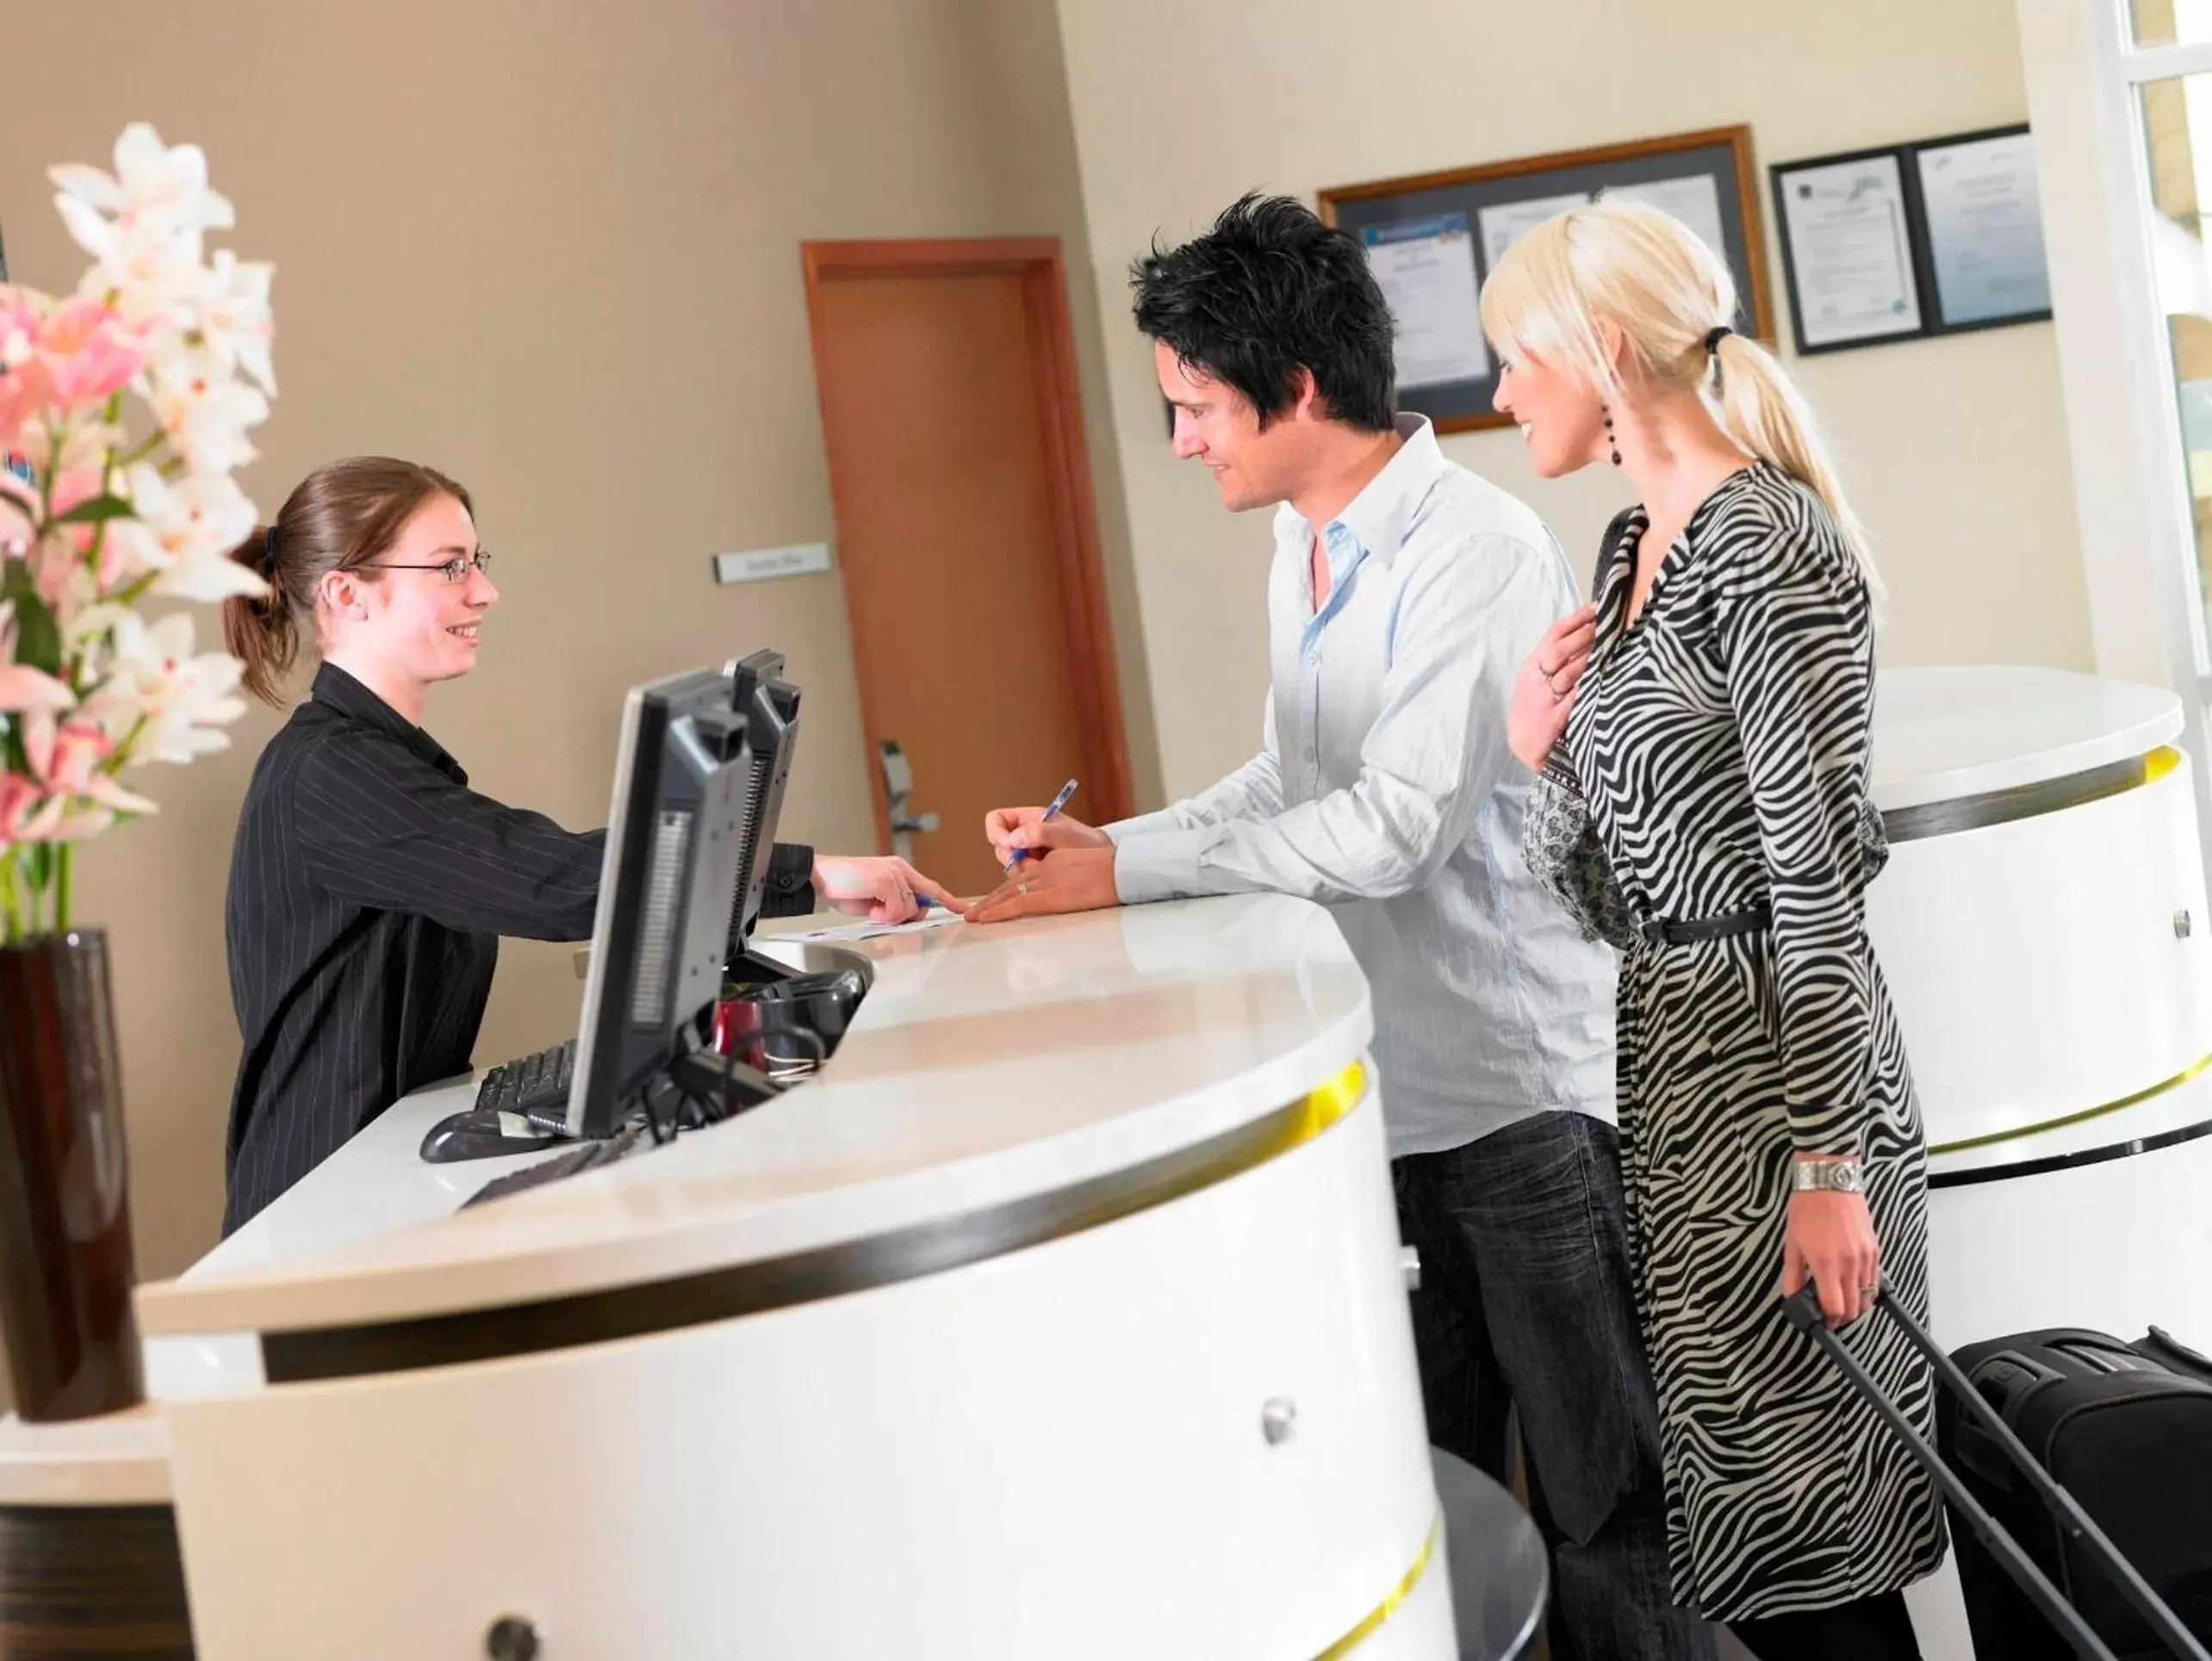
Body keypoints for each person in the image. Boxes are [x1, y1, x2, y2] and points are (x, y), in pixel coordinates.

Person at [969, 196, 1712, 1661]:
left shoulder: (1476, 552)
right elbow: (1291, 778)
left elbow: (1387, 825)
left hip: (1513, 1102)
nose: (1182, 440)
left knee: (1599, 1508)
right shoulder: (1301, 545)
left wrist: (1129, 883)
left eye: (1195, 406)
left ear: (1296, 391)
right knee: (1430, 1497)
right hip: (1380, 1095)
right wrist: (1109, 846)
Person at [1488, 199, 1947, 1661]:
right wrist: (1540, 751)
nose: (1498, 399)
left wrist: (1826, 1165)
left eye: (1515, 363)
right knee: (1758, 1556)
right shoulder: (1632, 544)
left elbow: (1810, 884)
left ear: (1600, 351)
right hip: (1679, 1083)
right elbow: (1612, 889)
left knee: (1825, 1546)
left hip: (1783, 1093)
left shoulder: (1766, 546)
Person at [218, 457, 961, 1232]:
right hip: (316, 1204)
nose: (483, 591)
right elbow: (549, 878)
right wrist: (804, 871)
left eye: (477, 562)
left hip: (368, 1173)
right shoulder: (332, 776)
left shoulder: (371, 758)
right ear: (347, 592)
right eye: (449, 568)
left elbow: (535, 863)